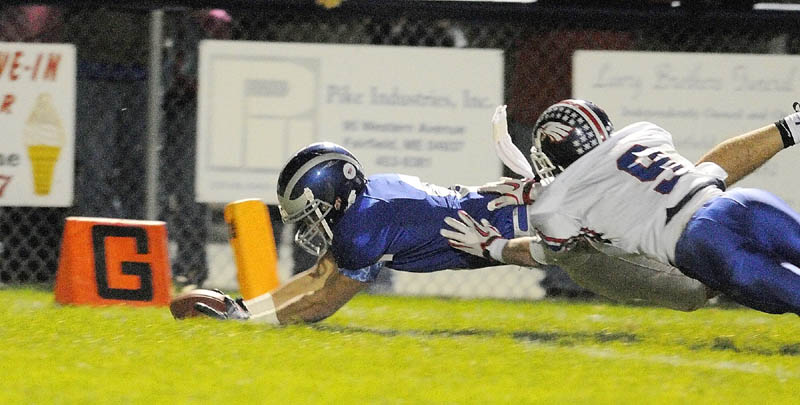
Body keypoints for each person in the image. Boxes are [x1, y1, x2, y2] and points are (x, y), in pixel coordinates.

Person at [192, 99, 798, 324]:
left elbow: (323, 299)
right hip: (531, 209)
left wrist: (250, 322)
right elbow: (322, 274)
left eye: (309, 211)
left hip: (541, 230)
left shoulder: (367, 219)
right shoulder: (372, 200)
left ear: (332, 196)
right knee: (694, 205)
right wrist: (250, 307)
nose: (307, 225)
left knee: (696, 289)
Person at [441, 99, 800, 317]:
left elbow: (551, 254)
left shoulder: (555, 204)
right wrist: (787, 129)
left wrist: (495, 247)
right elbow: (711, 169)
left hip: (700, 242)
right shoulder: (643, 135)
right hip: (742, 202)